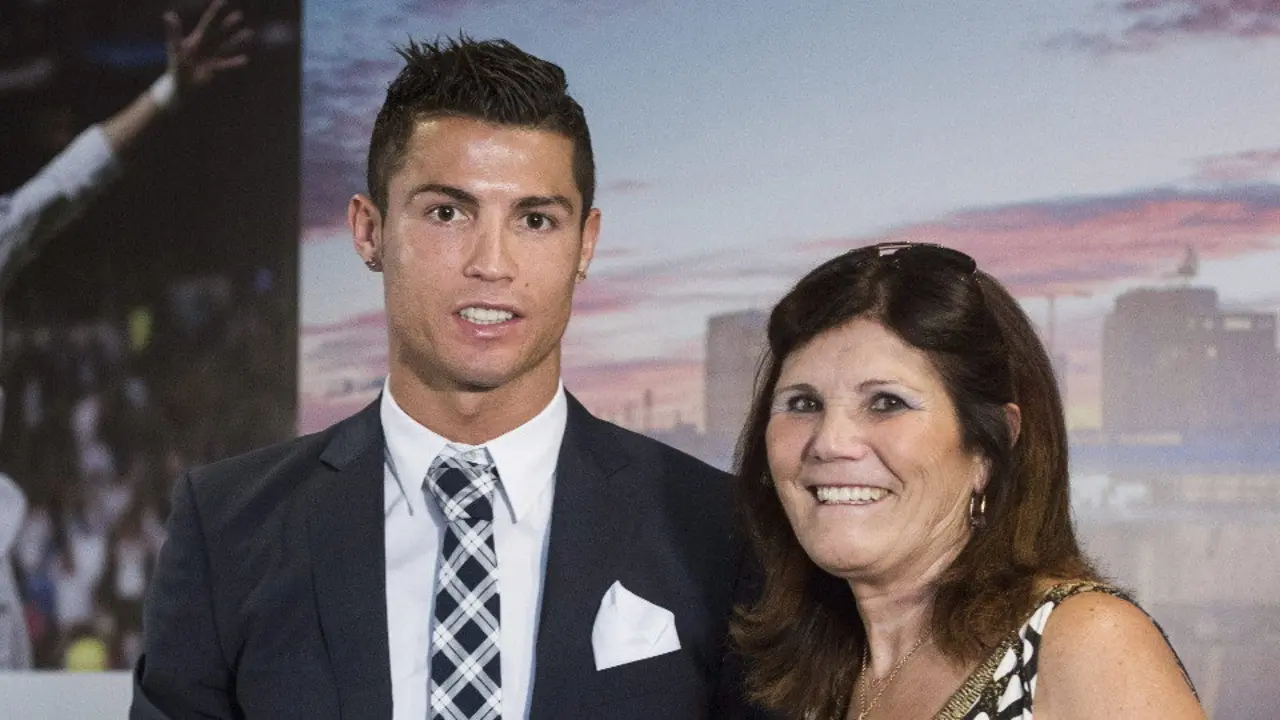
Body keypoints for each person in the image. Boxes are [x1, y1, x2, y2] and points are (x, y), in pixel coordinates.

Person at [132, 36, 757, 719]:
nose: (492, 262)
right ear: (368, 231)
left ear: (587, 245)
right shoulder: (227, 526)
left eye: (536, 219)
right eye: (447, 213)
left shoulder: (715, 529)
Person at [731, 242, 1204, 719]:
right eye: (802, 404)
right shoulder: (814, 680)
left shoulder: (1085, 642)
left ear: (988, 447)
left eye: (886, 403)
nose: (829, 441)